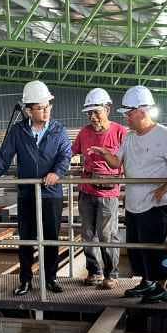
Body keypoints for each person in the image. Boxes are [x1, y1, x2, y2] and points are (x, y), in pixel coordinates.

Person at [89, 85, 167, 304]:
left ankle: (161, 286)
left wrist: (166, 186)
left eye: (129, 113)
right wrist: (105, 153)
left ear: (143, 111)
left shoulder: (163, 135)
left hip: (154, 204)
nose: (126, 117)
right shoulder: (129, 137)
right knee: (137, 246)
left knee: (154, 246)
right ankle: (147, 282)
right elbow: (117, 162)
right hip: (134, 203)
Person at [0, 81, 72, 295]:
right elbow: (4, 157)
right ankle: (26, 280)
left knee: (50, 237)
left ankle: (50, 279)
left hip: (51, 194)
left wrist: (57, 173)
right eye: (40, 108)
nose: (46, 111)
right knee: (27, 238)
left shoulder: (58, 130)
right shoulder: (18, 131)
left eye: (48, 106)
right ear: (29, 110)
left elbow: (65, 155)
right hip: (27, 193)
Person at [72, 88, 127, 290]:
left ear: (108, 109)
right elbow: (70, 152)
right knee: (87, 234)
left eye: (97, 112)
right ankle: (94, 271)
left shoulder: (120, 132)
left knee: (107, 235)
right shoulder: (84, 133)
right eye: (89, 113)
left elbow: (128, 160)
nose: (93, 117)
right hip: (86, 190)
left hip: (108, 193)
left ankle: (111, 274)